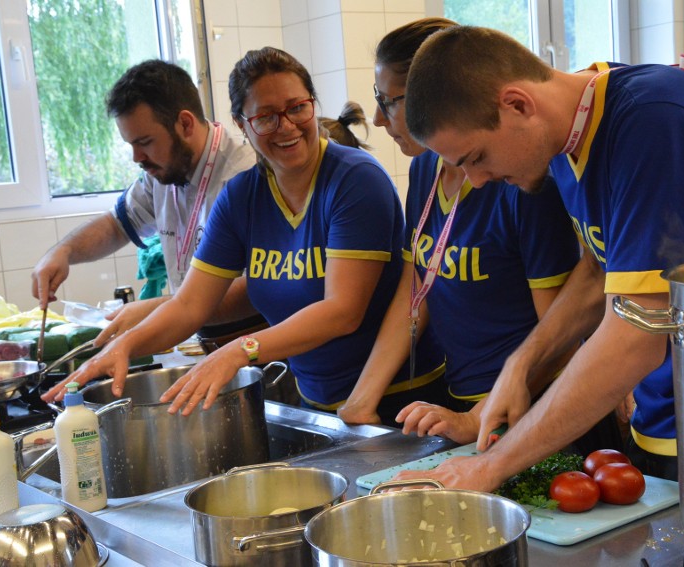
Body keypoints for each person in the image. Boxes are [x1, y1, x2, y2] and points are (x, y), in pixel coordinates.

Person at [392, 26, 684, 490]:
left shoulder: (653, 121)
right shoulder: (567, 139)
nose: (478, 179)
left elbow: (638, 330)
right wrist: (522, 365)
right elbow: (597, 271)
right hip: (672, 409)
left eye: (476, 157)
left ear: (517, 104)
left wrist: (490, 465)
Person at [42, 47, 446, 426]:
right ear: (241, 123)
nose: (285, 126)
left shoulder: (354, 179)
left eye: (297, 108)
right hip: (319, 404)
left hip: (402, 401)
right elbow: (190, 306)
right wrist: (124, 347)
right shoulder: (242, 197)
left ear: (312, 104)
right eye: (266, 116)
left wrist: (241, 350)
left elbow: (342, 311)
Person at [336, 18, 596, 449]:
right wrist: (362, 398)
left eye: (391, 101)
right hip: (464, 406)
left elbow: (561, 340)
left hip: (533, 410)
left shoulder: (523, 180)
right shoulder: (425, 169)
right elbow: (418, 283)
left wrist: (478, 418)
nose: (379, 118)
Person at [30, 59, 258, 339]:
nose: (137, 158)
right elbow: (116, 225)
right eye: (131, 145)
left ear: (185, 124)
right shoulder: (162, 172)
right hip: (201, 337)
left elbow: (257, 287)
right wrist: (63, 252)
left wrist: (160, 309)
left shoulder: (245, 176)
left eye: (145, 142)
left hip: (251, 345)